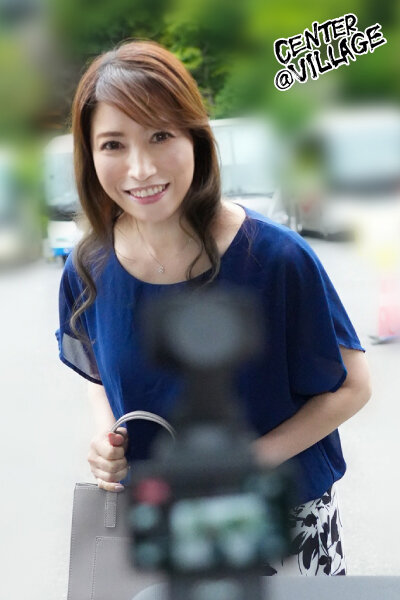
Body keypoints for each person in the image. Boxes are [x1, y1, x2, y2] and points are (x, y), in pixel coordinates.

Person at [55, 39, 371, 576]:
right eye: (113, 144)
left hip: (283, 523)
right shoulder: (89, 267)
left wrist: (248, 461)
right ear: (90, 154)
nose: (140, 168)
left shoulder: (275, 258)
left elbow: (352, 386)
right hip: (164, 523)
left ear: (195, 137)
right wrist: (108, 438)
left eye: (160, 135)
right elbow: (98, 372)